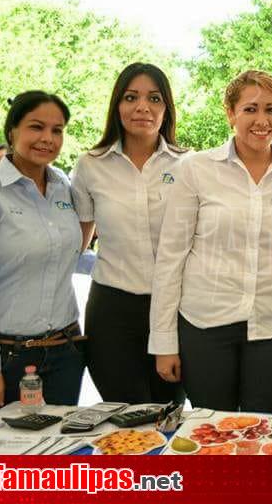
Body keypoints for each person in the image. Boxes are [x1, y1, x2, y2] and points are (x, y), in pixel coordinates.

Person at [149, 70, 272, 413]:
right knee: (210, 436)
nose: (261, 120)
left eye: (270, 109)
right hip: (205, 328)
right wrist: (164, 341)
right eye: (250, 109)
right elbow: (171, 258)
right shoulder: (197, 169)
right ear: (230, 113)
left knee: (266, 436)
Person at [0, 91, 85, 423]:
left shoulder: (63, 189)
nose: (47, 138)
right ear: (12, 131)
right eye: (36, 127)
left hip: (64, 354)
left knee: (52, 466)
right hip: (6, 358)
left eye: (57, 130)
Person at [71, 63, 189, 404]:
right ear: (117, 106)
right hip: (113, 309)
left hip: (176, 308)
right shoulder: (90, 165)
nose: (143, 107)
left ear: (166, 107)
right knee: (125, 418)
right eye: (131, 97)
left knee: (169, 414)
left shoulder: (189, 165)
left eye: (154, 98)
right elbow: (76, 242)